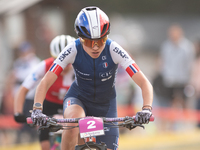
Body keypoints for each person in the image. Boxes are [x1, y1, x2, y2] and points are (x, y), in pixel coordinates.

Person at [31, 6, 153, 150]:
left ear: (106, 37)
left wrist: (146, 109)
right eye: (89, 42)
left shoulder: (114, 48)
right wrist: (37, 109)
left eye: (101, 41)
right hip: (78, 99)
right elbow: (45, 81)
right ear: (80, 39)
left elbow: (144, 82)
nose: (95, 47)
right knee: (72, 124)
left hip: (106, 105)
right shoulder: (73, 48)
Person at [14, 35, 75, 150]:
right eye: (59, 60)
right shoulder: (44, 66)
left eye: (68, 62)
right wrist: (18, 112)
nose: (64, 66)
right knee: (44, 143)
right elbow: (23, 89)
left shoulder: (79, 67)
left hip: (72, 104)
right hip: (49, 105)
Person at [158, 24, 195, 109]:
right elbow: (163, 62)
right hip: (169, 80)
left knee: (183, 103)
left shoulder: (187, 47)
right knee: (168, 104)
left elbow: (189, 64)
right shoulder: (166, 46)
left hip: (182, 80)